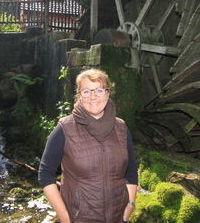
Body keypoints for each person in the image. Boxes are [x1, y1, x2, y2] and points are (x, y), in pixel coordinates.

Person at [38, 68, 138, 223]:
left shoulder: (121, 127)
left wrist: (130, 203)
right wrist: (65, 218)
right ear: (79, 95)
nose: (93, 96)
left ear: (107, 93)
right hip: (80, 218)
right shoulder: (65, 128)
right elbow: (45, 174)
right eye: (86, 91)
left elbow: (131, 169)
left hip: (119, 217)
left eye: (99, 90)